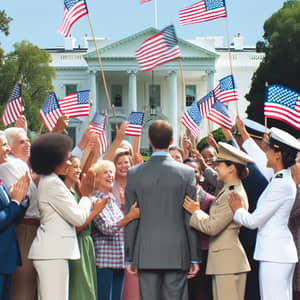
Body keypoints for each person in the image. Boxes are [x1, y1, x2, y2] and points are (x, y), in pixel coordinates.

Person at [125, 120, 201, 300]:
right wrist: (195, 256)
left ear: (149, 140)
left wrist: (129, 256)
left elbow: (132, 217)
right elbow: (189, 215)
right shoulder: (187, 173)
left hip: (146, 252)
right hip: (177, 251)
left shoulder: (134, 173)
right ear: (172, 139)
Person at [229, 127, 300, 300]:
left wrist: (238, 210)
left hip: (275, 253)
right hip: (276, 252)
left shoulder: (281, 183)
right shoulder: (280, 179)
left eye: (268, 149)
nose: (265, 152)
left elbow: (254, 221)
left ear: (278, 155)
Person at [28, 133, 95, 300]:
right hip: (52, 253)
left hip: (53, 252)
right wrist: (86, 197)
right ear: (53, 160)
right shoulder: (52, 184)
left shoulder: (51, 181)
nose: (68, 163)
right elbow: (78, 218)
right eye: (65, 159)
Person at [183, 142, 252, 300]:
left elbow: (213, 227)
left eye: (219, 164)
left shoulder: (232, 194)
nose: (215, 168)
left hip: (228, 263)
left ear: (231, 167)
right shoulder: (228, 190)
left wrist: (195, 212)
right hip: (224, 262)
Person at [91, 160, 140, 300]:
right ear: (96, 177)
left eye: (111, 172)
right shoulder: (95, 201)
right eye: (105, 172)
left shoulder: (112, 199)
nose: (110, 175)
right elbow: (106, 228)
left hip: (119, 260)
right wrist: (129, 217)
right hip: (104, 260)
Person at [3, 127, 40, 300]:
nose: (27, 144)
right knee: (22, 290)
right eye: (21, 142)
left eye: (27, 140)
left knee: (29, 289)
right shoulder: (10, 164)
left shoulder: (22, 165)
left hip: (31, 229)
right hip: (23, 229)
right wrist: (17, 201)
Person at [65, 156, 108, 300]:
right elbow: (75, 227)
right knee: (80, 291)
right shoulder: (67, 194)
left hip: (86, 244)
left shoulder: (76, 191)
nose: (78, 170)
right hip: (77, 244)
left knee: (88, 290)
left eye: (79, 167)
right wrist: (95, 211)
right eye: (75, 167)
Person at [0, 132, 30, 300]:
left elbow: (13, 215)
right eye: (4, 145)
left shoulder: (2, 182)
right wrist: (14, 203)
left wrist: (22, 199)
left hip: (6, 260)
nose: (8, 149)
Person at [184, 158, 214, 300]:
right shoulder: (173, 197)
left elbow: (211, 227)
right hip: (180, 253)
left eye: (194, 171)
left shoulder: (210, 200)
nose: (190, 174)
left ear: (200, 174)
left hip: (203, 253)